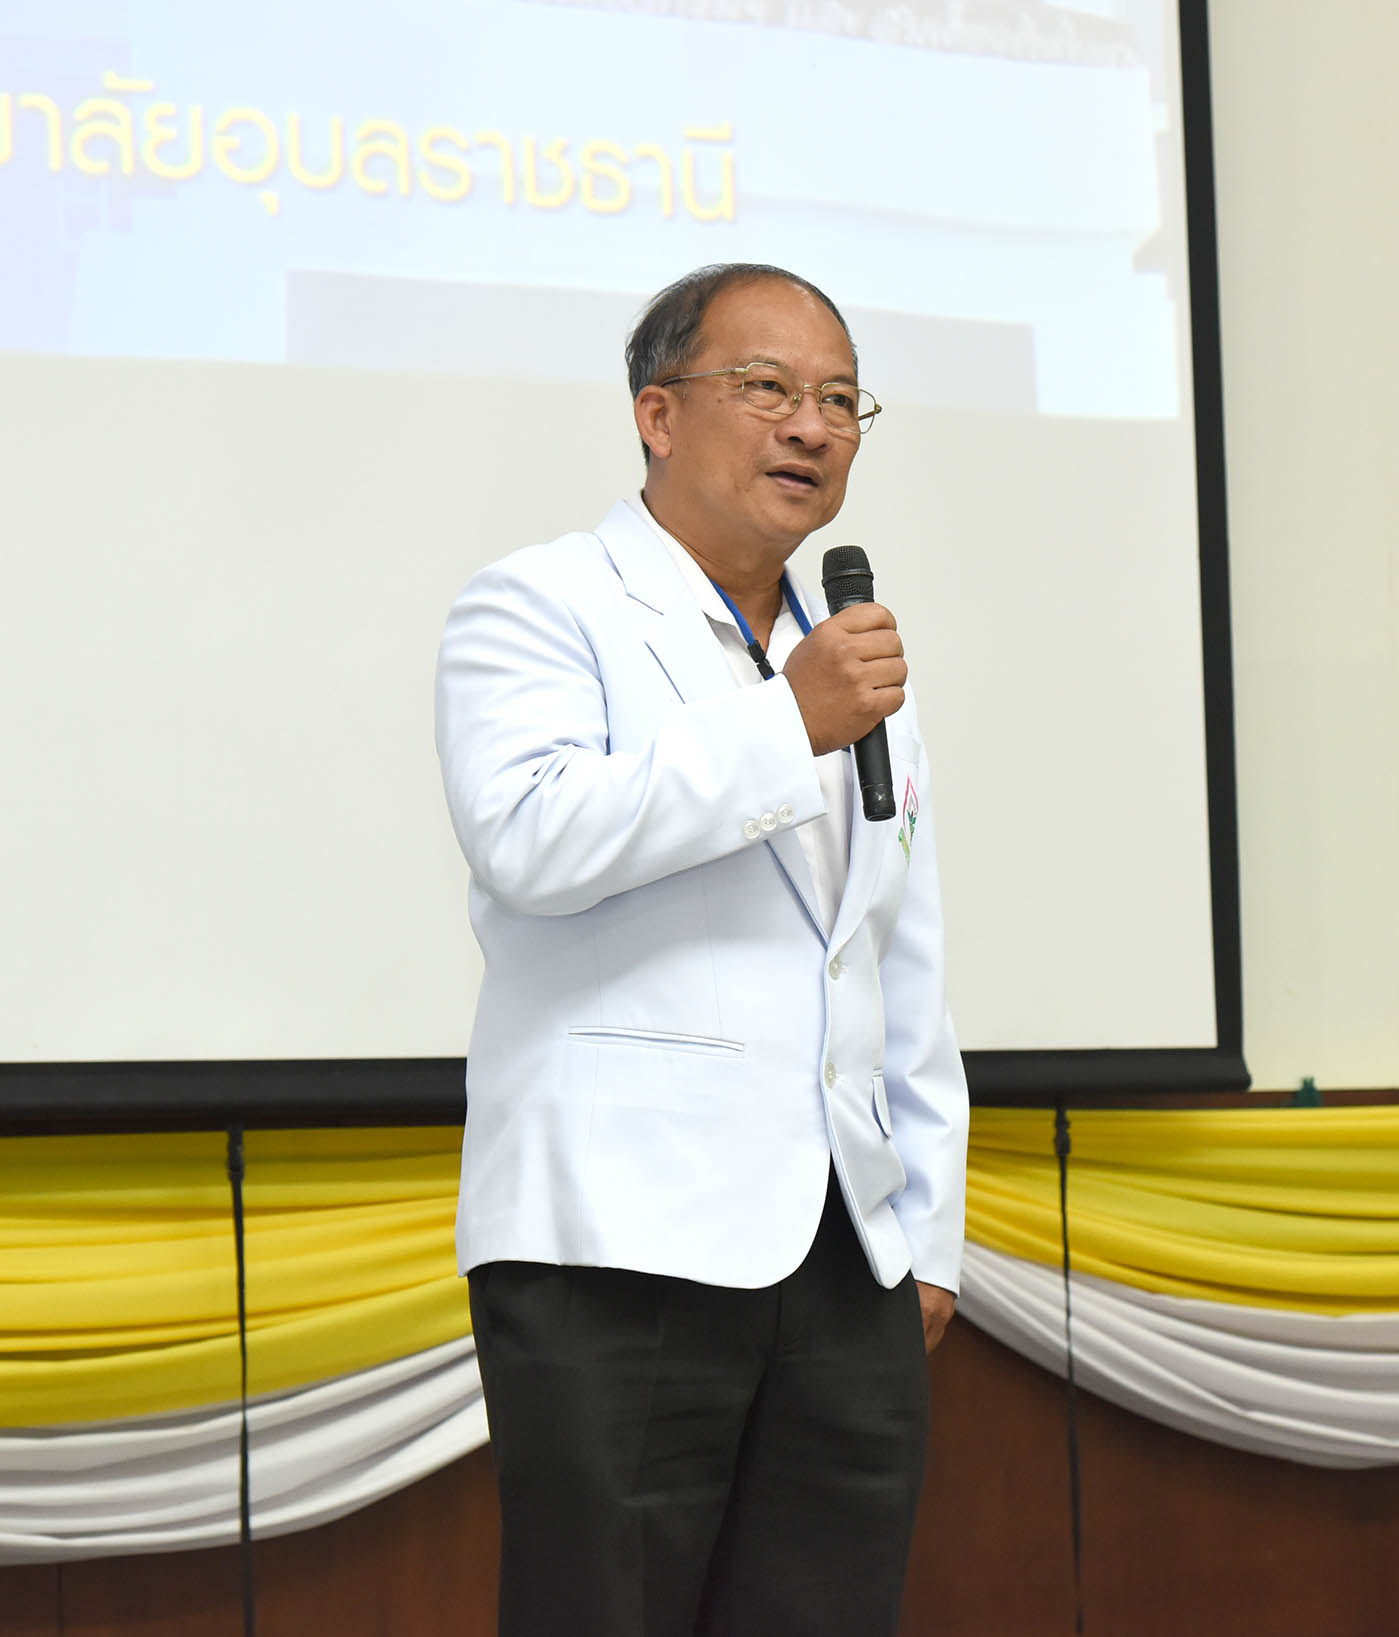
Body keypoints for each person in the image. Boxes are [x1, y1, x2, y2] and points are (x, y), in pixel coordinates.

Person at [433, 262, 970, 1637]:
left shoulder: (845, 660)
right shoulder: (541, 604)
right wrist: (789, 725)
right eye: (767, 388)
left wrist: (927, 1231)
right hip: (617, 1241)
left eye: (840, 399)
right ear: (657, 414)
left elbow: (893, 954)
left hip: (847, 1254)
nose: (812, 426)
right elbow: (531, 836)